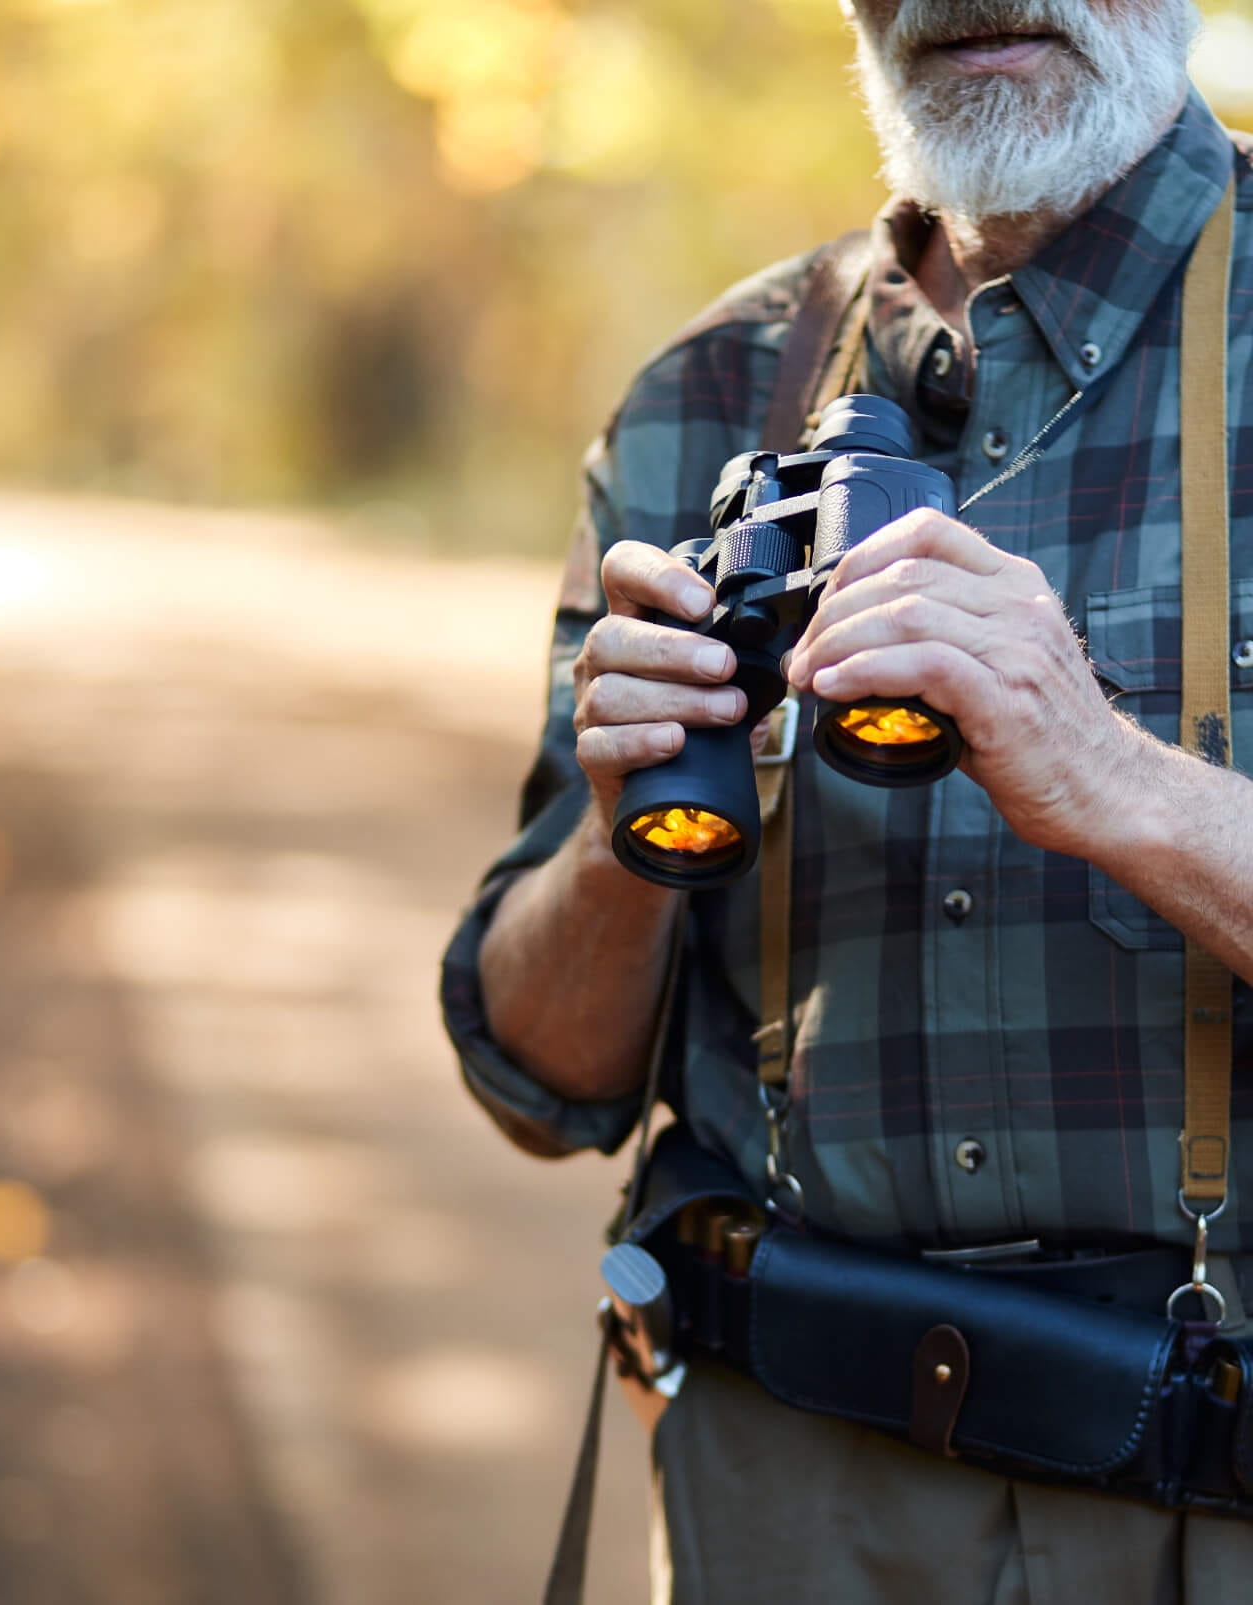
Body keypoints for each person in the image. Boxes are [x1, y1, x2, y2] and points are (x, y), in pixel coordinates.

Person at [440, 1, 1253, 1599]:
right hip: (785, 1499)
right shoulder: (707, 401)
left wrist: (1106, 775)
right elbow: (537, 1078)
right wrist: (621, 846)